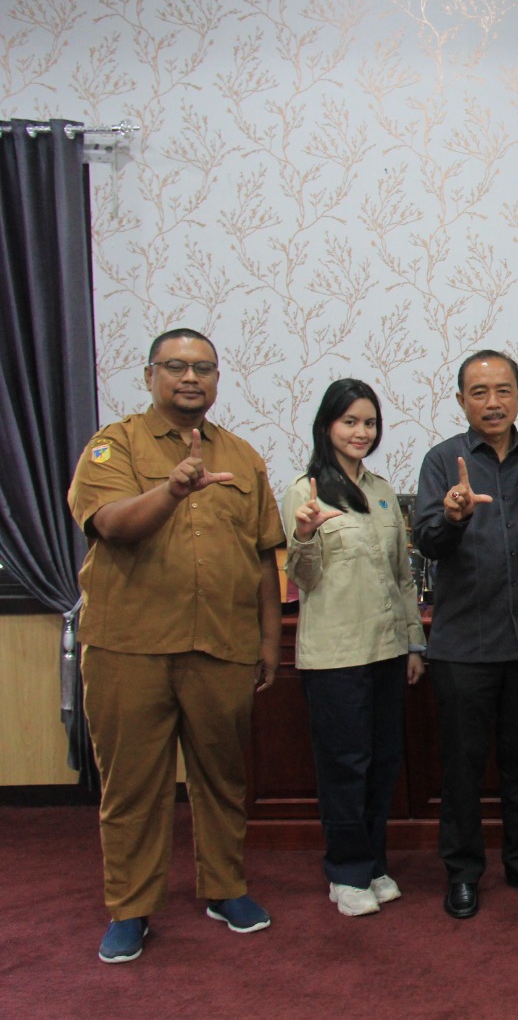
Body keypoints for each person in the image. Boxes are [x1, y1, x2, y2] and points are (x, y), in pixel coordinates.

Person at [68, 328, 283, 963]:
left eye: (204, 368)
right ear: (150, 375)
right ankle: (131, 907)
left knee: (223, 777)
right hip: (129, 647)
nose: (191, 377)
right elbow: (111, 525)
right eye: (176, 366)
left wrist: (270, 639)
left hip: (221, 644)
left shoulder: (242, 456)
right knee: (134, 785)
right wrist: (173, 489)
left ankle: (225, 887)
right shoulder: (113, 446)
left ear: (217, 380)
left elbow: (263, 555)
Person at [413, 350, 518, 919]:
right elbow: (427, 541)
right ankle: (462, 872)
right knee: (462, 767)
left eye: (503, 390)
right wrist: (453, 517)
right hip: (465, 646)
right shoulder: (442, 460)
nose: (493, 402)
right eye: (479, 392)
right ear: (461, 401)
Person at [280, 380, 426, 917]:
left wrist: (414, 644)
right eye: (349, 422)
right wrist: (304, 535)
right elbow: (302, 578)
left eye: (369, 423)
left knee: (383, 763)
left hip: (386, 650)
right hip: (335, 655)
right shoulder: (305, 492)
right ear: (327, 426)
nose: (361, 432)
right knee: (345, 765)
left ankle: (374, 864)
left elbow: (402, 578)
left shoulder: (383, 491)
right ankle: (345, 872)